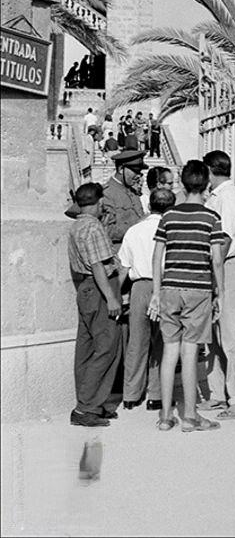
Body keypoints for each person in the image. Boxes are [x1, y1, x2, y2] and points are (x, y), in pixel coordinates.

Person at [147, 160, 226, 432]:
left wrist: (156, 293)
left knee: (170, 351)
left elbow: (157, 256)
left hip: (170, 288)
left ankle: (166, 416)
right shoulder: (211, 219)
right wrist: (220, 293)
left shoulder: (168, 217)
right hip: (198, 289)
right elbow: (216, 260)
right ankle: (190, 416)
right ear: (205, 185)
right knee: (190, 352)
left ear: (182, 183)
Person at [201, 150, 235, 420]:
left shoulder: (229, 198)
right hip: (217, 266)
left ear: (210, 170)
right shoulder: (218, 197)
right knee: (216, 334)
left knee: (232, 333)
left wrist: (215, 272)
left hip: (227, 266)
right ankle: (219, 393)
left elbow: (225, 240)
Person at [67, 182, 123, 427]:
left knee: (87, 348)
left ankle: (90, 403)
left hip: (85, 289)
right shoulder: (93, 227)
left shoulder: (76, 226)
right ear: (99, 202)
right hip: (100, 288)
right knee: (108, 347)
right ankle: (87, 407)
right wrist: (111, 297)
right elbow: (98, 265)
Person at [118, 187, 176, 412]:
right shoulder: (171, 230)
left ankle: (131, 394)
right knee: (161, 342)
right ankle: (156, 394)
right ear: (170, 208)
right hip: (165, 285)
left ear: (149, 205)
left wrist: (116, 294)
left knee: (137, 342)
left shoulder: (134, 231)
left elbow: (124, 266)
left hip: (139, 286)